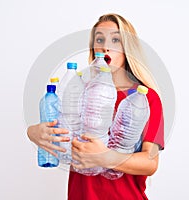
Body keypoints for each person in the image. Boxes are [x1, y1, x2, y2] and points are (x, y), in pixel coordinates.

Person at [27, 13, 164, 200]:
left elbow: (150, 163)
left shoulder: (145, 99)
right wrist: (33, 133)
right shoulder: (78, 90)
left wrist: (105, 157)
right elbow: (59, 134)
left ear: (128, 49)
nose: (105, 46)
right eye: (99, 39)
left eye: (115, 40)